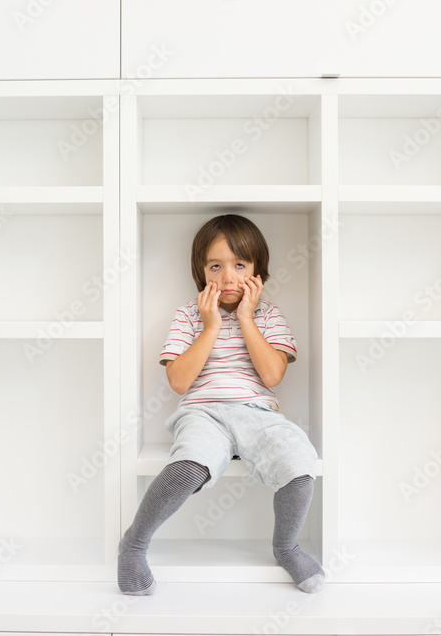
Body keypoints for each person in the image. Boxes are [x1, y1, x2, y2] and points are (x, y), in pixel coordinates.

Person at [117, 214, 323, 595]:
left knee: (299, 461)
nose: (228, 278)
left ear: (257, 270)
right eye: (216, 266)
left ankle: (286, 547)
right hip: (202, 412)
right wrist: (211, 325)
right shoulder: (189, 316)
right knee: (188, 464)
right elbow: (179, 381)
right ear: (201, 271)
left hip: (258, 414)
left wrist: (246, 318)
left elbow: (272, 376)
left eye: (240, 265)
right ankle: (133, 545)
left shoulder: (269, 315)